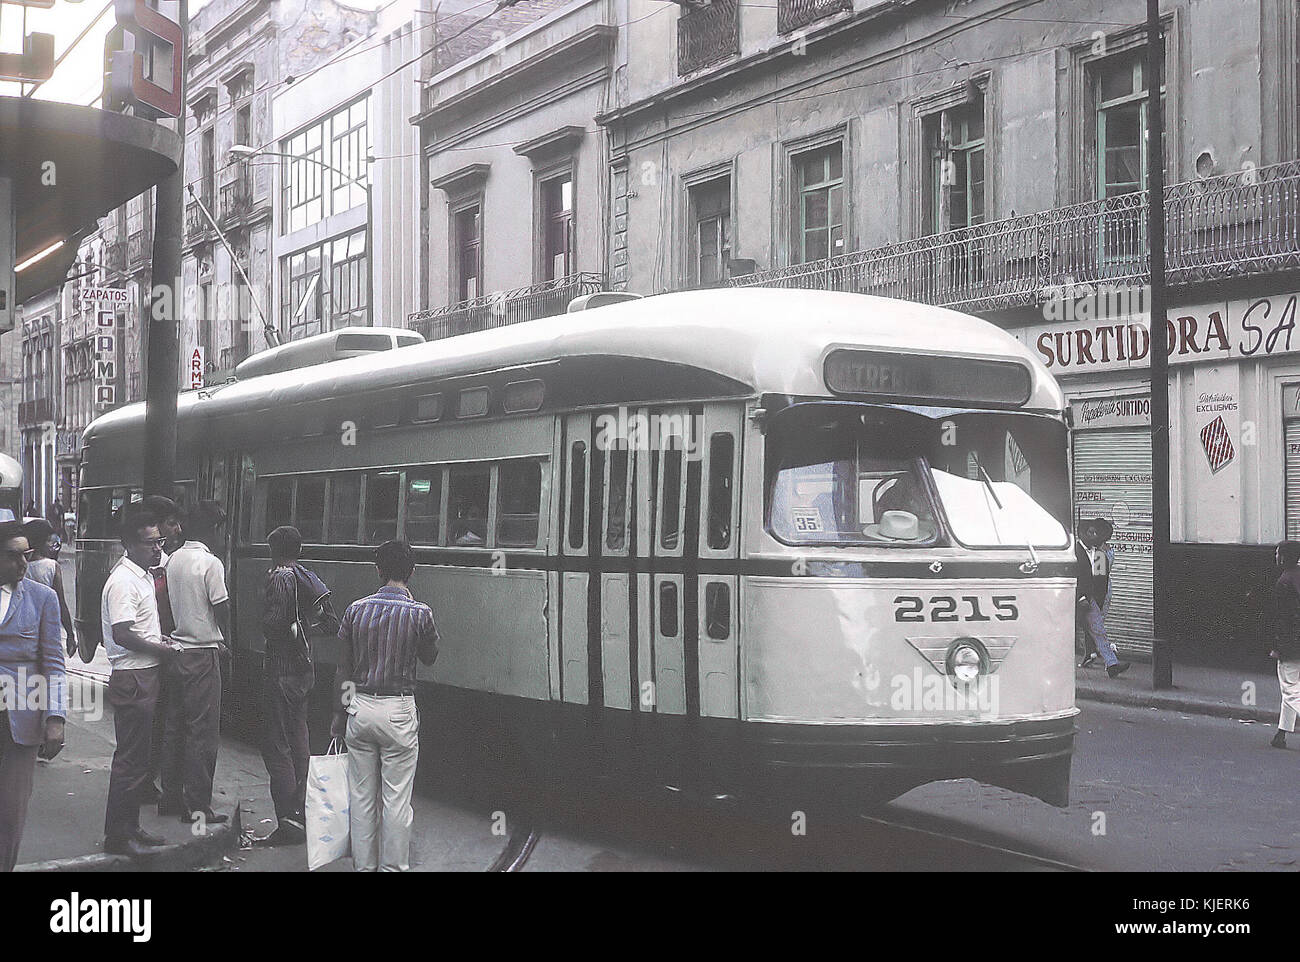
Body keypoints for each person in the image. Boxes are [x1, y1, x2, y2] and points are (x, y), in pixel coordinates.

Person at [332, 540, 437, 872]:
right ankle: (393, 869)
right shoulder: (420, 613)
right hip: (398, 711)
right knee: (396, 800)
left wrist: (339, 714)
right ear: (413, 572)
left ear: (378, 570)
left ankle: (364, 868)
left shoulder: (355, 610)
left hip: (359, 708)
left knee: (362, 798)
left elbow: (343, 669)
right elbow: (430, 656)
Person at [102, 509, 183, 857]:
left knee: (139, 759)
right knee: (131, 760)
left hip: (144, 672)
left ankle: (130, 826)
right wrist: (162, 650)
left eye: (159, 542)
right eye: (151, 543)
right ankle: (119, 835)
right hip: (133, 675)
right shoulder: (123, 581)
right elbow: (122, 634)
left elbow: (138, 628)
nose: (157, 548)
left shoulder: (143, 576)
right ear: (129, 544)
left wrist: (158, 639)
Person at [258, 525, 337, 846]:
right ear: (300, 550)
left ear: (273, 550)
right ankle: (306, 814)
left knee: (276, 745)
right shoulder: (308, 576)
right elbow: (331, 622)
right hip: (305, 670)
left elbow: (273, 624)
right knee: (300, 740)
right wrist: (305, 628)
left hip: (281, 669)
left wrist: (287, 628)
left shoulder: (279, 577)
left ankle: (288, 822)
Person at [156, 501, 229, 824]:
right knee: (202, 733)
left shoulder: (172, 561)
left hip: (177, 651)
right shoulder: (210, 563)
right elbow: (221, 607)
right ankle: (198, 806)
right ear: (212, 530)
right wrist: (227, 641)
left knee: (175, 728)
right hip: (203, 653)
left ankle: (170, 798)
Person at [0, 520, 65, 871]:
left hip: (20, 718)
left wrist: (55, 718)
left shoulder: (42, 598)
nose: (24, 564)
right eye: (14, 556)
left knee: (10, 812)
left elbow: (54, 662)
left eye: (26, 555)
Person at [1076, 518, 1131, 678]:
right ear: (1082, 533)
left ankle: (1112, 664)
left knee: (1098, 630)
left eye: (1095, 533)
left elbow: (1101, 580)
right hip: (1073, 598)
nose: (1093, 535)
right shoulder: (1074, 551)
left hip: (1090, 599)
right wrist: (1080, 597)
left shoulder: (1099, 553)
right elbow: (1074, 575)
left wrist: (1097, 601)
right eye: (1090, 532)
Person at [21, 519, 76, 658]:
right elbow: (61, 602)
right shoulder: (51, 566)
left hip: (22, 628)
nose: (51, 545)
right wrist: (70, 634)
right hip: (47, 627)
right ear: (40, 542)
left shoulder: (19, 565)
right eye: (48, 541)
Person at [1270, 541, 1300, 749]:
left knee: (1291, 689)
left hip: (1292, 645)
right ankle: (1281, 734)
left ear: (1284, 557)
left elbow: (1284, 619)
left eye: (1277, 553)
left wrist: (1278, 647)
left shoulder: (1284, 582)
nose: (1275, 557)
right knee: (1290, 691)